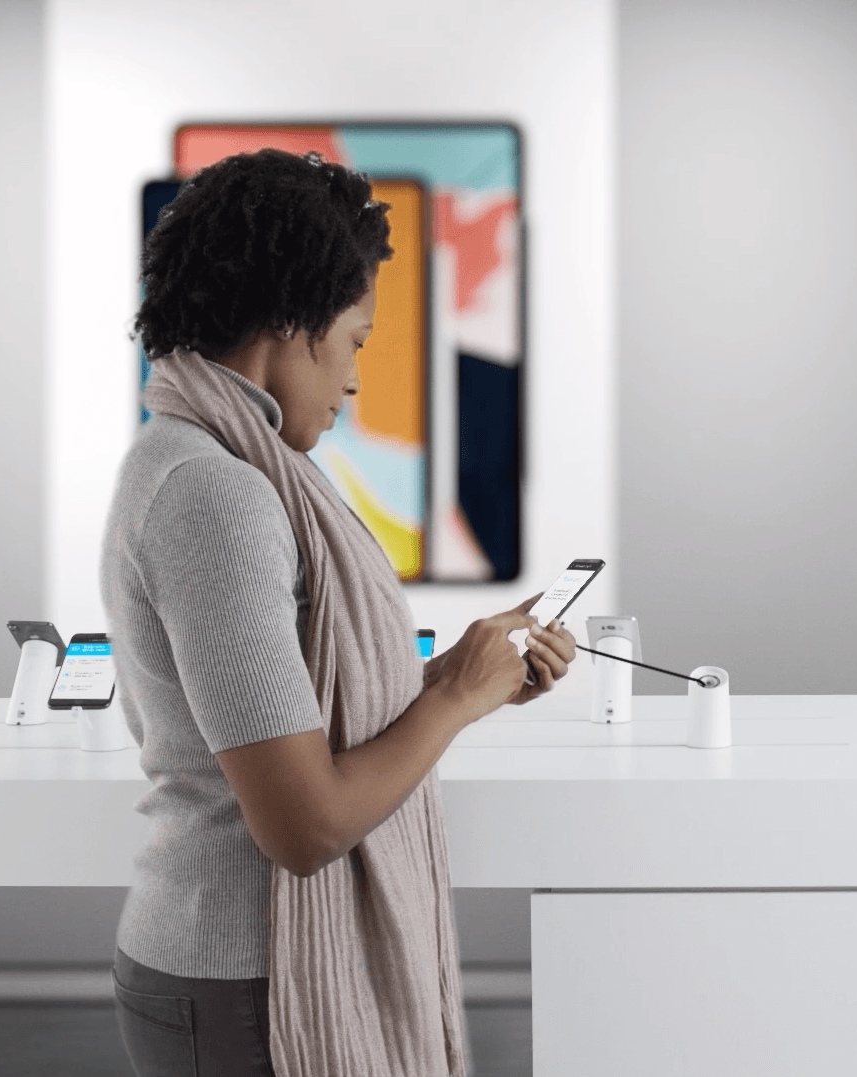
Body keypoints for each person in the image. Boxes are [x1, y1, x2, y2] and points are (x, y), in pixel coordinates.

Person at [102, 147, 574, 1077]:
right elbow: (305, 827)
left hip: (224, 971)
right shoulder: (215, 493)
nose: (356, 379)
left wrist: (453, 681)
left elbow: (291, 721)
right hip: (247, 979)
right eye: (356, 339)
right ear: (292, 321)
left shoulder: (187, 460)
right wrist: (448, 706)